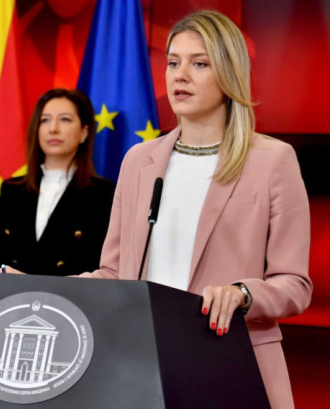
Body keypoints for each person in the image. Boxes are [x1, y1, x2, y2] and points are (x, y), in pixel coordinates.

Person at [79, 10, 312, 409]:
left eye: (199, 64)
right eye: (173, 63)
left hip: (230, 360)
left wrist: (242, 293)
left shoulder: (273, 160)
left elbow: (295, 284)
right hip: (141, 364)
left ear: (229, 73)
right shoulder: (138, 160)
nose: (180, 76)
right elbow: (114, 274)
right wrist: (42, 287)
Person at [0, 88, 115, 276]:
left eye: (65, 119)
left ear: (84, 132)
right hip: (12, 294)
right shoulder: (12, 190)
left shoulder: (104, 194)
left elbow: (103, 270)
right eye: (45, 120)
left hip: (70, 295)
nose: (53, 129)